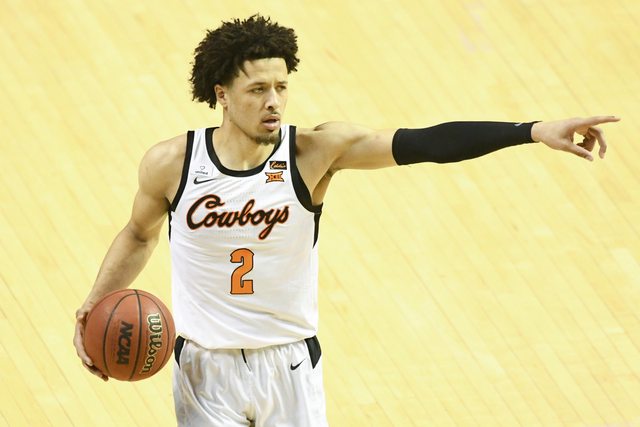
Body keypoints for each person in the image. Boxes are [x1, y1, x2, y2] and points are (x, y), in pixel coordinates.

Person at [73, 14, 620, 427]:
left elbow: (426, 144)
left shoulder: (315, 153)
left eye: (281, 87)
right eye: (258, 90)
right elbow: (139, 234)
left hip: (289, 364)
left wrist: (531, 130)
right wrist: (94, 304)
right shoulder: (172, 163)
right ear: (222, 95)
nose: (274, 102)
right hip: (203, 368)